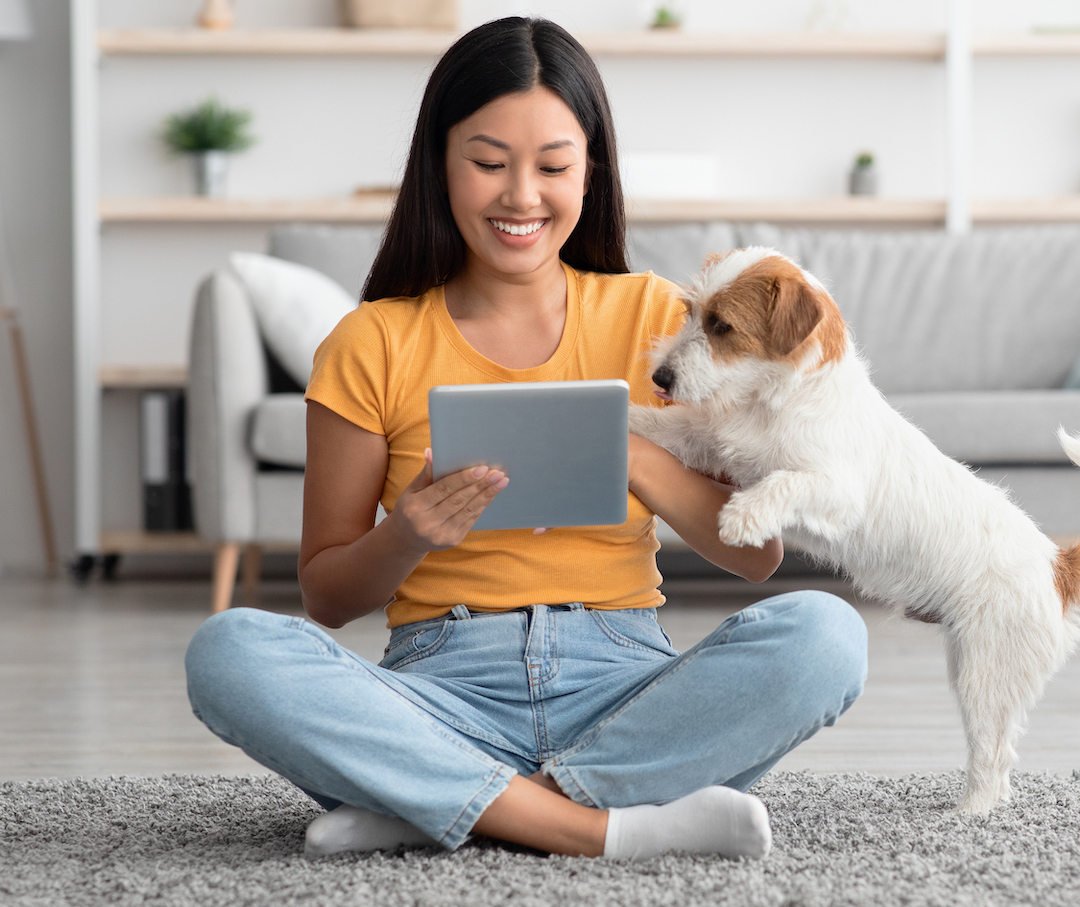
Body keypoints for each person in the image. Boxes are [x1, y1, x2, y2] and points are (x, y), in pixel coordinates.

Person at [185, 16, 867, 862]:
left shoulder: (664, 322)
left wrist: (635, 458)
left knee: (826, 635)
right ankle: (591, 824)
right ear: (440, 164)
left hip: (623, 680)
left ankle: (438, 804)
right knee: (229, 650)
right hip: (440, 688)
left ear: (590, 171)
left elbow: (756, 555)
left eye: (552, 165)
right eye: (487, 162)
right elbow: (326, 595)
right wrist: (409, 532)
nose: (521, 196)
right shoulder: (371, 341)